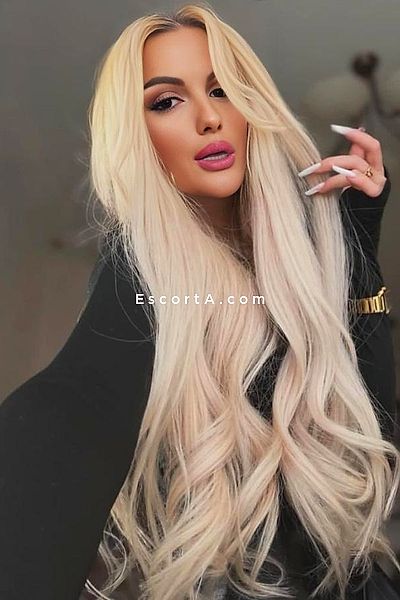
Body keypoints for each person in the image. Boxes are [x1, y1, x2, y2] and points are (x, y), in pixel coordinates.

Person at [1, 3, 399, 599]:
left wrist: (360, 247)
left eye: (222, 90)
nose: (209, 118)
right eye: (167, 101)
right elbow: (70, 405)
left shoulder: (296, 262)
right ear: (137, 136)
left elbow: (372, 445)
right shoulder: (139, 272)